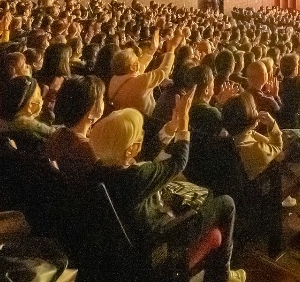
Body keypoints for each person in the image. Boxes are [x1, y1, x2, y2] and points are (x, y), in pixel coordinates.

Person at [90, 92, 247, 282]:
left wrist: (170, 128)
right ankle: (223, 274)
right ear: (130, 149)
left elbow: (141, 156)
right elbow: (179, 162)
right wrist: (183, 125)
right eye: (140, 132)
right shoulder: (138, 176)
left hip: (133, 240)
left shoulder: (101, 169)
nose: (143, 134)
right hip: (161, 239)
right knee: (227, 203)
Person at [222, 92, 300, 235]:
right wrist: (272, 124)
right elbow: (278, 151)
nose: (257, 112)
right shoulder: (253, 149)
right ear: (248, 117)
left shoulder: (233, 137)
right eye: (254, 109)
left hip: (246, 191)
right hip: (264, 192)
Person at [107, 29, 181, 117]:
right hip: (142, 122)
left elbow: (138, 71)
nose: (139, 61)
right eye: (136, 60)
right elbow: (163, 70)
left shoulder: (115, 78)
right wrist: (171, 49)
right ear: (132, 67)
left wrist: (152, 50)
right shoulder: (139, 82)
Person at [45, 75, 104, 181]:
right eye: (102, 99)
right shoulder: (88, 152)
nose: (104, 103)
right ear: (91, 111)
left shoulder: (57, 134)